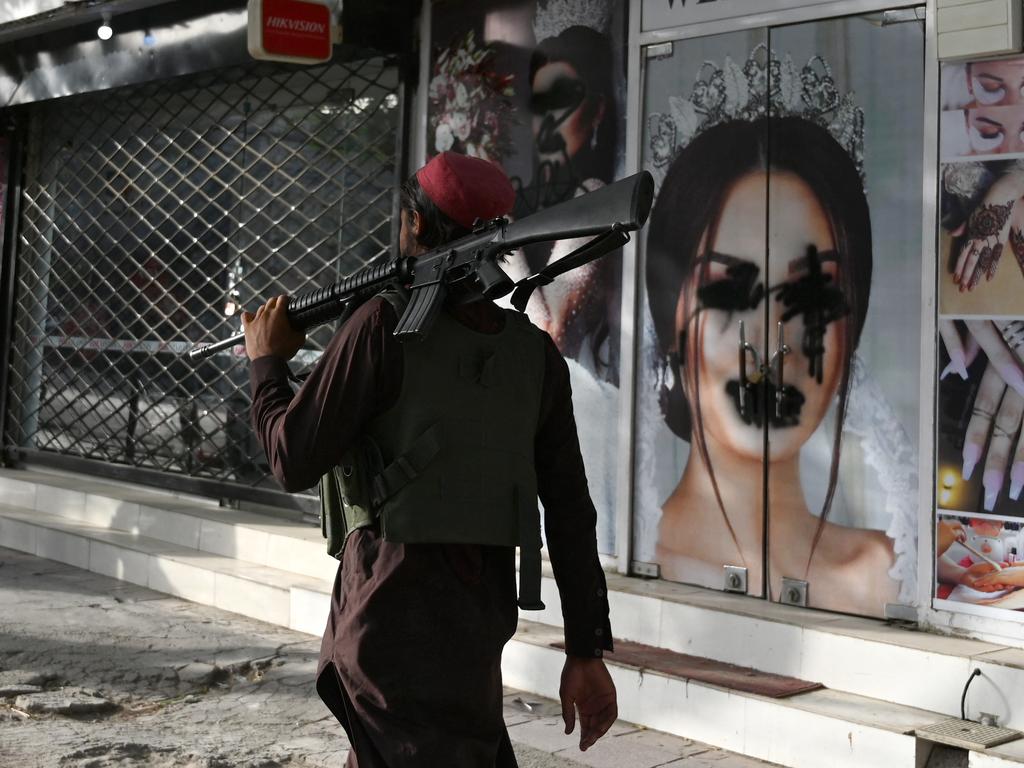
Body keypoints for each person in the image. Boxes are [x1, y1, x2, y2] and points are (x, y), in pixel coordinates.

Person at [241, 151, 616, 766]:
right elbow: (571, 510)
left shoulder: (378, 329)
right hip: (474, 631)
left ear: (414, 226)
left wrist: (265, 364)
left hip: (385, 620)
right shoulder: (533, 354)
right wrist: (585, 651)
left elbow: (291, 457)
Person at [646, 116, 900, 616]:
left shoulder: (897, 574)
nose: (768, 345)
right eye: (728, 292)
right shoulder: (627, 560)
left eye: (810, 294)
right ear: (670, 317)